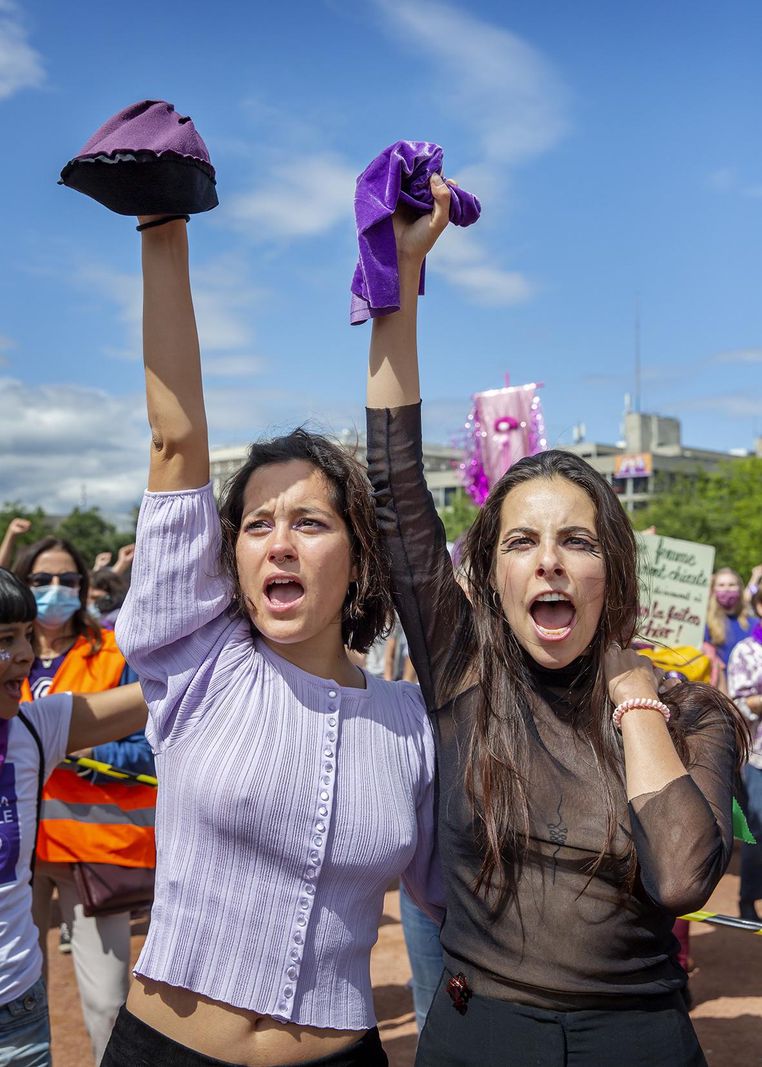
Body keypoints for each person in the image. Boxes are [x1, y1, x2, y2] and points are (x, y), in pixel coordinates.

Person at [364, 174, 747, 1066]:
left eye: (575, 540)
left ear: (611, 568)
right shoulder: (462, 675)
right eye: (521, 542)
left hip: (640, 1039)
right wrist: (399, 273)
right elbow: (392, 481)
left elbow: (684, 875)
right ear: (489, 572)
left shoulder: (696, 711)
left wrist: (634, 697)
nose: (547, 560)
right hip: (476, 1034)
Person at [85, 197, 442, 1067]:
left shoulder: (415, 723)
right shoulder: (197, 664)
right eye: (255, 523)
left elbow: (461, 901)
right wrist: (160, 224)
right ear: (231, 555)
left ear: (359, 560)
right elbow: (177, 440)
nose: (279, 540)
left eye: (311, 523)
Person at [12, 537, 155, 1065]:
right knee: (14, 1002)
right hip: (15, 861)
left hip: (93, 856)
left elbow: (153, 750)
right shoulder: (8, 653)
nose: (56, 591)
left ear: (84, 586)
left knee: (107, 1004)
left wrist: (85, 746)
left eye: (68, 581)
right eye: (42, 580)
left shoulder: (117, 652)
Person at [727, 586, 762, 921]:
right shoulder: (747, 651)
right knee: (758, 829)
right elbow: (740, 703)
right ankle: (748, 901)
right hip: (759, 757)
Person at [704, 567, 752, 687]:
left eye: (731, 585)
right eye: (721, 585)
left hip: (747, 689)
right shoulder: (705, 623)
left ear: (740, 589)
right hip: (718, 689)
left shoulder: (754, 623)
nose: (726, 589)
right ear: (713, 589)